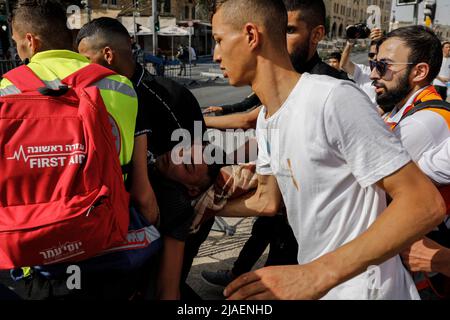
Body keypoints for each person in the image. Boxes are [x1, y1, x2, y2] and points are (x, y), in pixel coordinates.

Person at [210, 0, 445, 300]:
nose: (216, 54)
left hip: (366, 290)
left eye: (218, 40)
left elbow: (424, 204)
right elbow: (266, 201)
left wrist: (315, 273)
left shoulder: (332, 98)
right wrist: (209, 208)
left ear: (251, 35)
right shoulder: (268, 119)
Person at [0, 0, 159, 299]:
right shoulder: (120, 86)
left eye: (16, 43)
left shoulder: (6, 89)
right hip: (106, 234)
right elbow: (135, 175)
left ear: (30, 41)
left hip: (35, 244)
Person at [76, 17, 210, 300]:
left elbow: (202, 164)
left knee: (164, 287)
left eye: (85, 59)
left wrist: (181, 215)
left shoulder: (170, 96)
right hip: (124, 223)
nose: (80, 68)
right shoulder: (93, 97)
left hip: (173, 218)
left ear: (107, 54)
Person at [369, 26, 450, 299]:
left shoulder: (425, 122)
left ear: (419, 72)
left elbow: (361, 181)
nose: (373, 74)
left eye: (383, 66)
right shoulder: (401, 109)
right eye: (373, 63)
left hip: (425, 268)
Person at [203, 0, 352, 130]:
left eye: (289, 30)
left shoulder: (335, 94)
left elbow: (248, 120)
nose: (278, 36)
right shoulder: (266, 114)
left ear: (317, 35)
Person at [340, 28, 383, 106]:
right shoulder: (363, 71)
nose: (375, 58)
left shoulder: (391, 74)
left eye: (378, 54)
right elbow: (344, 65)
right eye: (371, 55)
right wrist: (350, 43)